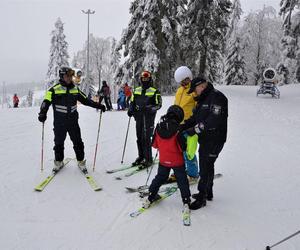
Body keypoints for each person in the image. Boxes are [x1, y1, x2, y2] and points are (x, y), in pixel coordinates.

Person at [38, 66, 106, 173]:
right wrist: (42, 113)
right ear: (61, 76)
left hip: (73, 122)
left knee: (77, 141)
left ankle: (80, 161)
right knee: (59, 143)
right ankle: (59, 161)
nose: (69, 78)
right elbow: (45, 102)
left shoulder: (75, 89)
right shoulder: (54, 90)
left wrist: (99, 105)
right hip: (59, 123)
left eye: (70, 76)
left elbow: (86, 101)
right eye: (67, 76)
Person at [181, 76, 228, 210]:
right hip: (206, 139)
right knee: (207, 164)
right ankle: (208, 192)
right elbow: (195, 118)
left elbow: (214, 119)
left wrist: (195, 130)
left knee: (206, 166)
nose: (195, 93)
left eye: (195, 90)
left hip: (215, 138)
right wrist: (182, 126)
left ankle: (202, 197)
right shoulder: (202, 100)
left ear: (202, 86)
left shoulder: (217, 97)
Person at [143, 105, 191, 211]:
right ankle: (186, 200)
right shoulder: (179, 129)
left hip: (164, 160)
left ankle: (151, 195)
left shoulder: (159, 126)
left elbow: (154, 144)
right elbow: (182, 148)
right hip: (177, 161)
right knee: (182, 180)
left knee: (160, 177)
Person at [127, 70, 162, 168]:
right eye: (143, 79)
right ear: (141, 79)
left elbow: (158, 104)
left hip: (148, 118)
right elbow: (132, 102)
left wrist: (150, 108)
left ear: (150, 79)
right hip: (138, 117)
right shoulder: (136, 90)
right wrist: (130, 110)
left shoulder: (154, 91)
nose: (145, 80)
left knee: (146, 138)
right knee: (139, 137)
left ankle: (148, 159)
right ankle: (141, 156)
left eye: (147, 79)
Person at [172, 66, 198, 180]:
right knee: (178, 151)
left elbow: (199, 107)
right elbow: (176, 106)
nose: (183, 83)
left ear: (189, 78)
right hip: (178, 125)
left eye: (185, 80)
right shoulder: (179, 91)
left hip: (190, 126)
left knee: (189, 152)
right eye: (181, 81)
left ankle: (193, 174)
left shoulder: (194, 91)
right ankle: (180, 172)